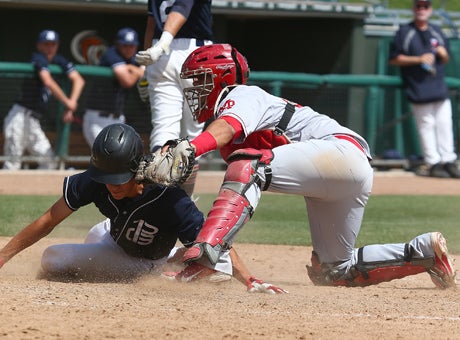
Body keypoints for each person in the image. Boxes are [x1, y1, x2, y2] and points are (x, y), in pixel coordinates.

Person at [137, 43, 456, 289]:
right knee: (332, 272)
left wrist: (189, 149)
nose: (194, 90)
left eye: (200, 80)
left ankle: (206, 257)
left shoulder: (241, 94)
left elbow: (230, 126)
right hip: (343, 173)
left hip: (340, 152)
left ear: (222, 78)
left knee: (249, 164)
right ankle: (425, 253)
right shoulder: (230, 119)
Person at [0, 123, 286, 294]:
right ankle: (176, 258)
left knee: (54, 258)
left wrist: (249, 279)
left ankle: (167, 264)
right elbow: (49, 219)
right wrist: (2, 257)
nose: (110, 185)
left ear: (136, 168)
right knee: (70, 248)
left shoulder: (170, 199)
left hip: (143, 260)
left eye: (118, 178)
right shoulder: (97, 178)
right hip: (111, 238)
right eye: (105, 178)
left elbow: (215, 240)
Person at [134, 0, 214, 195]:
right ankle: (182, 201)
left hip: (160, 56)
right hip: (194, 52)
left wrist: (147, 65)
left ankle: (157, 199)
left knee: (164, 130)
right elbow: (182, 7)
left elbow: (152, 24)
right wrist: (162, 44)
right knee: (193, 139)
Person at [389, 0, 460, 178]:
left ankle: (449, 161)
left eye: (425, 6)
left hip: (438, 85)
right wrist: (418, 59)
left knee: (445, 124)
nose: (422, 10)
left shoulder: (436, 30)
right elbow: (394, 58)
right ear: (413, 9)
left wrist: (443, 55)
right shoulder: (405, 31)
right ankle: (433, 162)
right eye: (418, 6)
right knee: (426, 125)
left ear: (430, 10)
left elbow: (445, 58)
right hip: (418, 87)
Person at [2, 29, 85, 170]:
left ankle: (29, 190)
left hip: (33, 121)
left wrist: (72, 104)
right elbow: (47, 81)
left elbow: (79, 80)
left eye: (53, 44)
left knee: (49, 162)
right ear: (39, 45)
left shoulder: (58, 60)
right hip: (19, 117)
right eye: (46, 44)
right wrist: (67, 102)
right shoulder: (38, 57)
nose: (49, 47)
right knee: (13, 163)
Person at [82, 28, 145, 148]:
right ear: (118, 45)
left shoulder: (133, 59)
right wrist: (139, 70)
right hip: (97, 117)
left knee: (120, 157)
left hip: (118, 118)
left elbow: (146, 73)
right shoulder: (111, 54)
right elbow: (128, 81)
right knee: (107, 155)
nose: (128, 49)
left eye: (132, 46)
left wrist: (134, 69)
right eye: (125, 45)